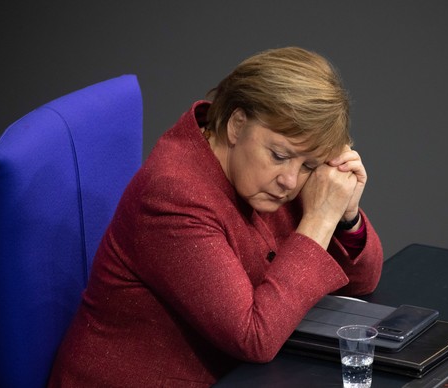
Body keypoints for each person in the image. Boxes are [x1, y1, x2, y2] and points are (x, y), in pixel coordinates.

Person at [48, 46, 383, 387]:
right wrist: (318, 221)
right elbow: (254, 338)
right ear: (237, 125)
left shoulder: (277, 169)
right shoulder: (173, 195)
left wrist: (345, 217)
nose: (291, 181)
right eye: (279, 155)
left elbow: (363, 282)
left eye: (309, 165)